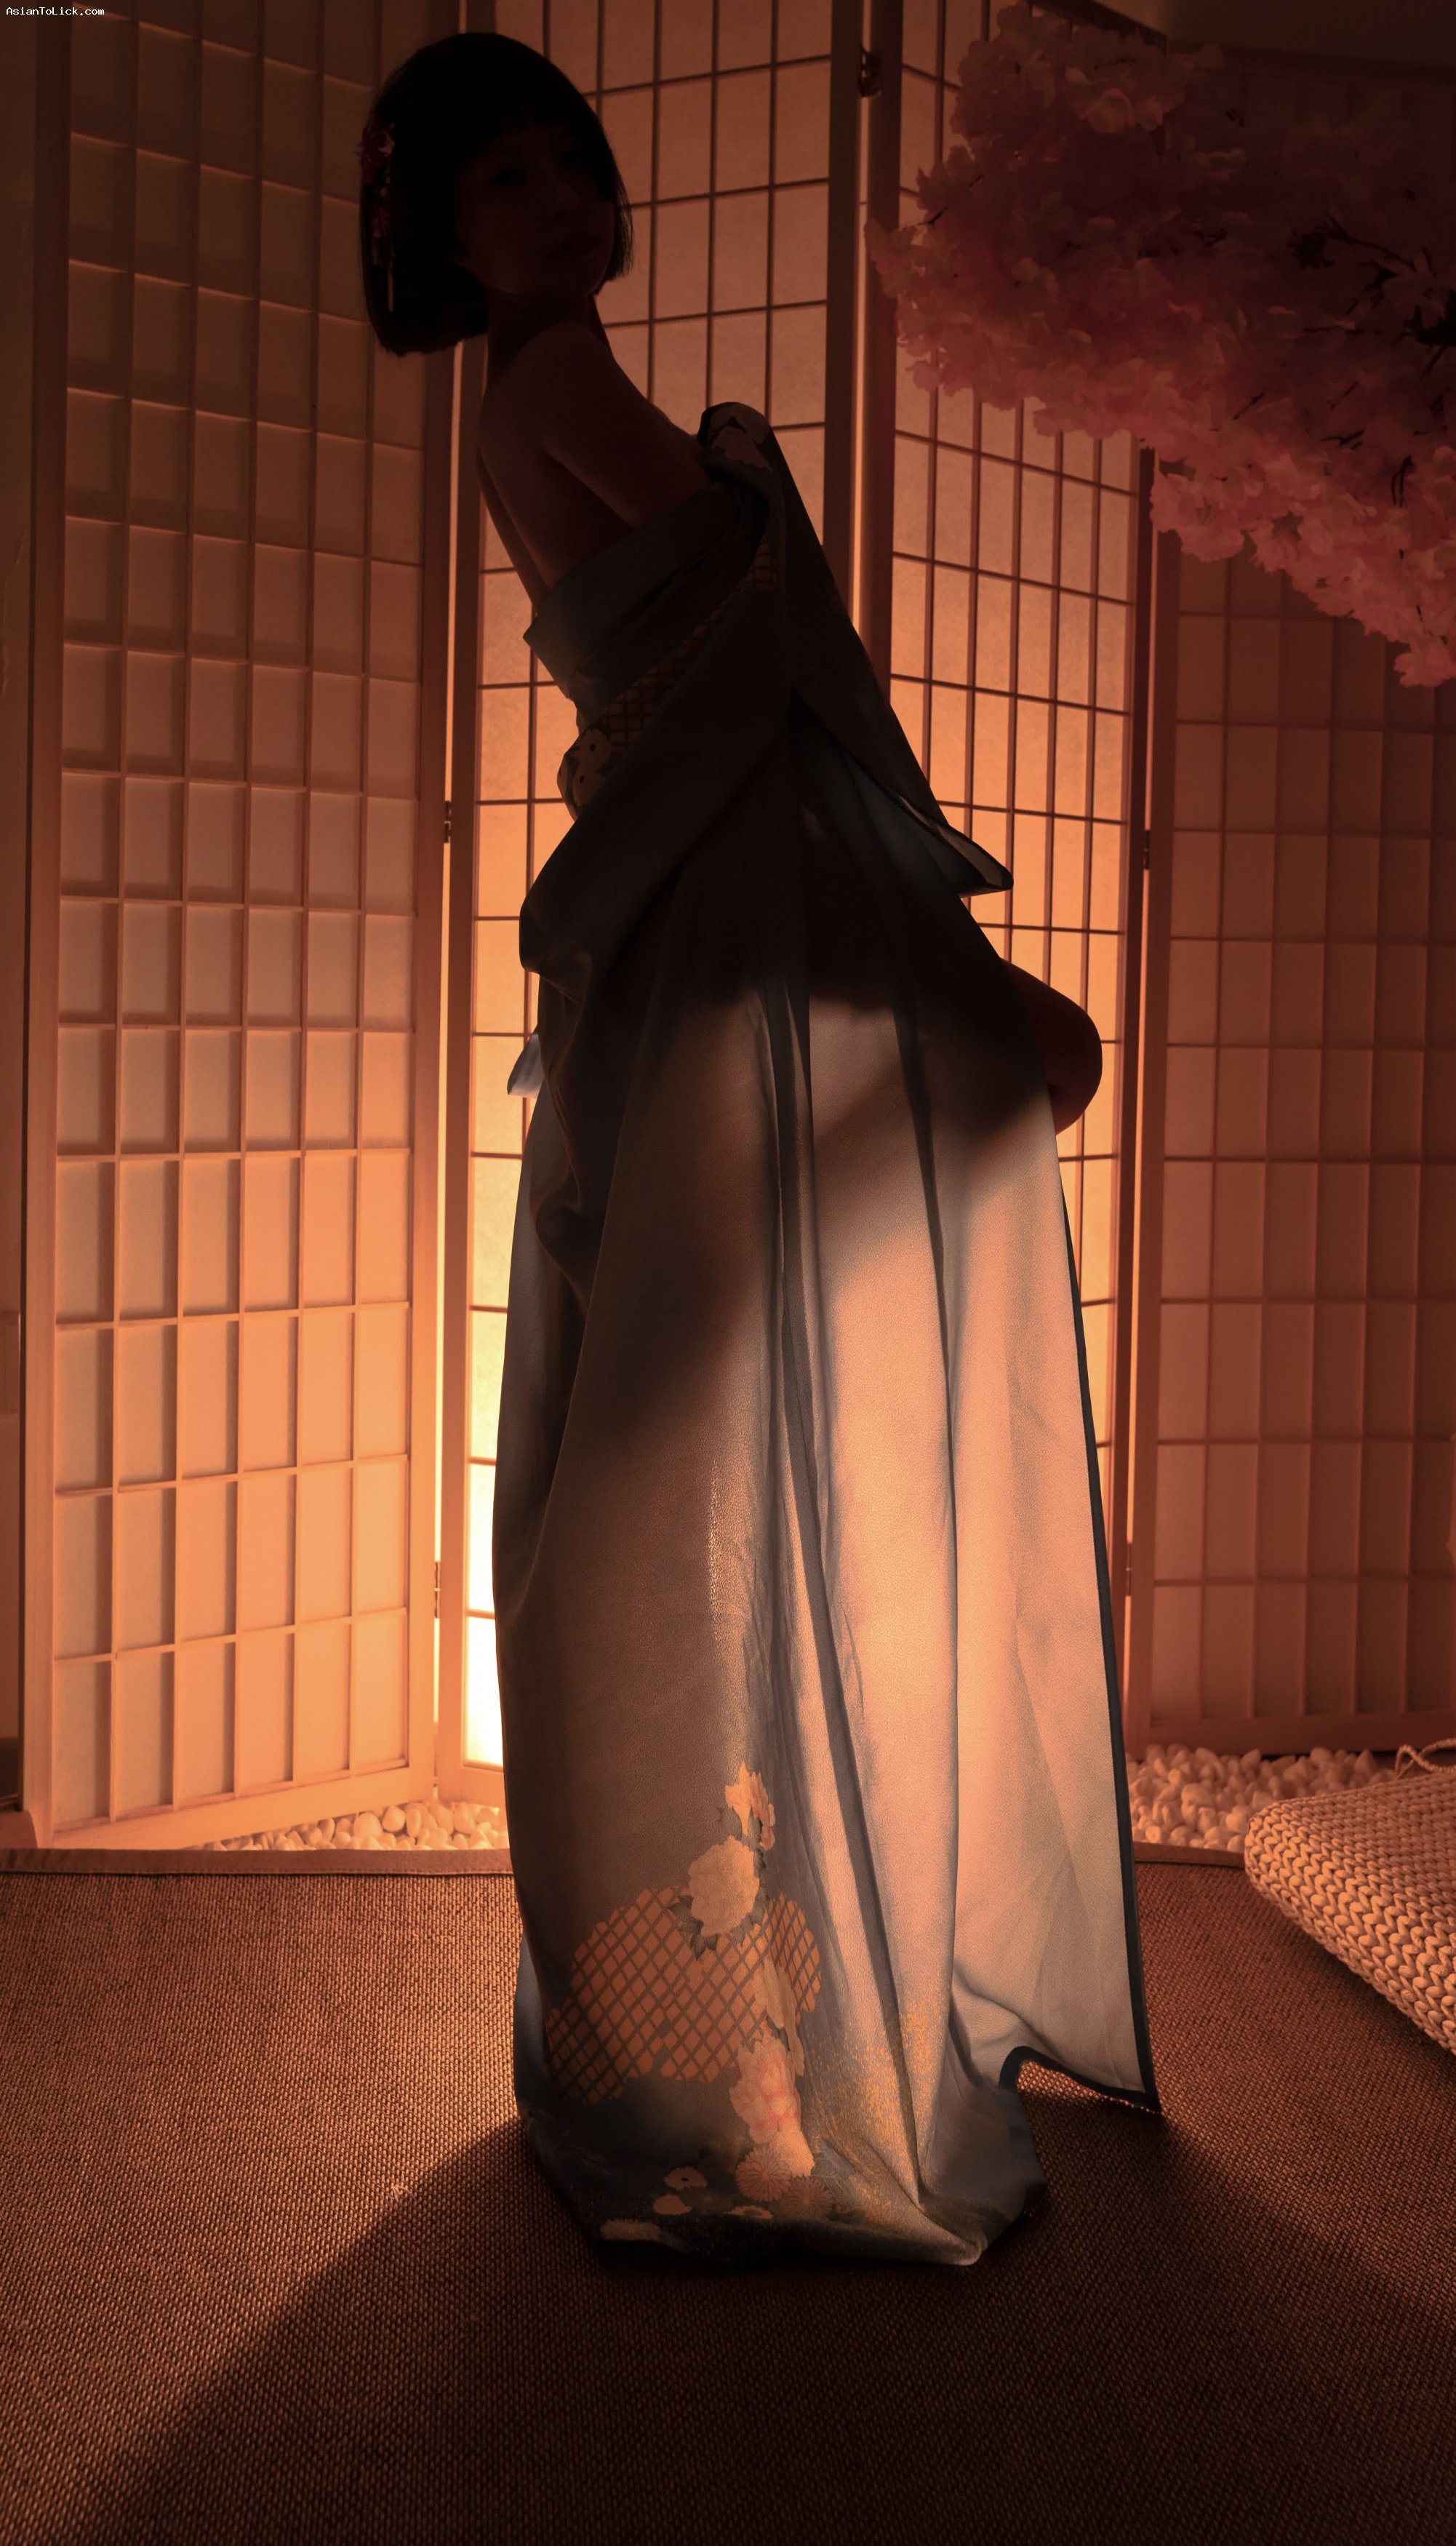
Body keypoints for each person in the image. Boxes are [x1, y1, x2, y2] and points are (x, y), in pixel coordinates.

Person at [360, 31, 1159, 2264]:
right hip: (725, 901)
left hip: (713, 900)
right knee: (712, 1419)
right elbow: (769, 628)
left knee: (713, 1417)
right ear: (437, 237)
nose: (556, 196)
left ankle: (766, 2007)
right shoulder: (550, 386)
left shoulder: (546, 388)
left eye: (569, 160)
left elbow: (753, 637)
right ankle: (725, 2018)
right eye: (502, 181)